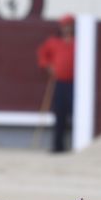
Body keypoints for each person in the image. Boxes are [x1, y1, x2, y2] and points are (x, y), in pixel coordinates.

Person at [36, 14, 75, 153]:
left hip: (75, 85)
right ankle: (58, 147)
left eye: (69, 25)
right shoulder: (53, 41)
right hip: (58, 83)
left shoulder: (79, 41)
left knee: (75, 115)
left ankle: (76, 145)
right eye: (65, 25)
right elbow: (42, 54)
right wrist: (47, 66)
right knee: (60, 115)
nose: (67, 28)